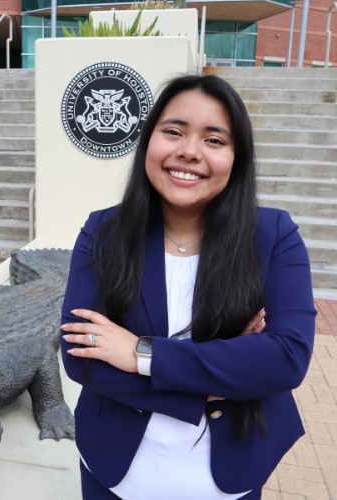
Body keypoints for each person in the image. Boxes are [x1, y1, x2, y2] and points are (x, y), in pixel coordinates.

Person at [60, 74, 316, 500]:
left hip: (227, 478)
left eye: (214, 140)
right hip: (113, 473)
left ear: (237, 157)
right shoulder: (104, 231)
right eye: (173, 132)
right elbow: (80, 356)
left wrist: (140, 354)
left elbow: (287, 358)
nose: (189, 151)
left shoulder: (274, 235)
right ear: (148, 141)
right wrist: (225, 376)